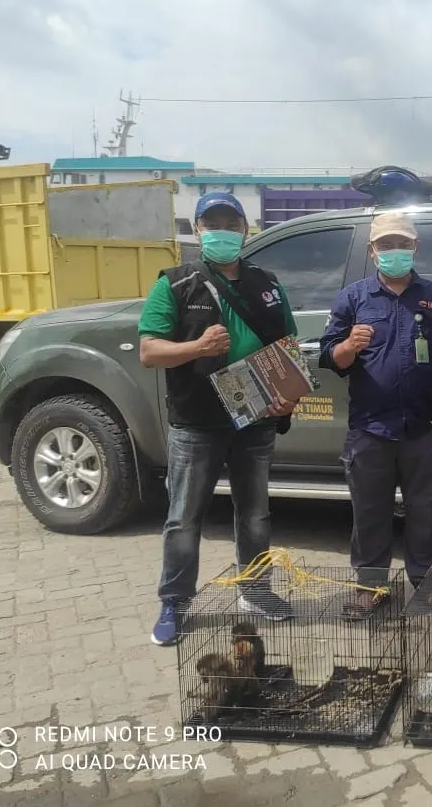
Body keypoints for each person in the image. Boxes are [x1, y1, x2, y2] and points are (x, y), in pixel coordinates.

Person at [140, 192, 299, 647]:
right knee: (184, 518)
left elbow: (286, 346)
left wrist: (288, 398)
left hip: (255, 421)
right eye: (213, 223)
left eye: (231, 222)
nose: (222, 230)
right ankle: (175, 601)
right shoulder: (175, 283)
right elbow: (150, 350)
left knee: (254, 517)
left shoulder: (266, 283)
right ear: (198, 231)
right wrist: (195, 348)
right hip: (197, 424)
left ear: (245, 230)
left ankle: (255, 591)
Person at [320, 212, 432, 616]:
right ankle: (370, 587)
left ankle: (429, 586)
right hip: (370, 428)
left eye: (401, 244)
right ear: (372, 251)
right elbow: (329, 358)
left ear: (415, 248)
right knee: (370, 514)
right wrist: (349, 345)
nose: (394, 251)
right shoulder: (353, 298)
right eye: (385, 245)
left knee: (425, 512)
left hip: (423, 428)